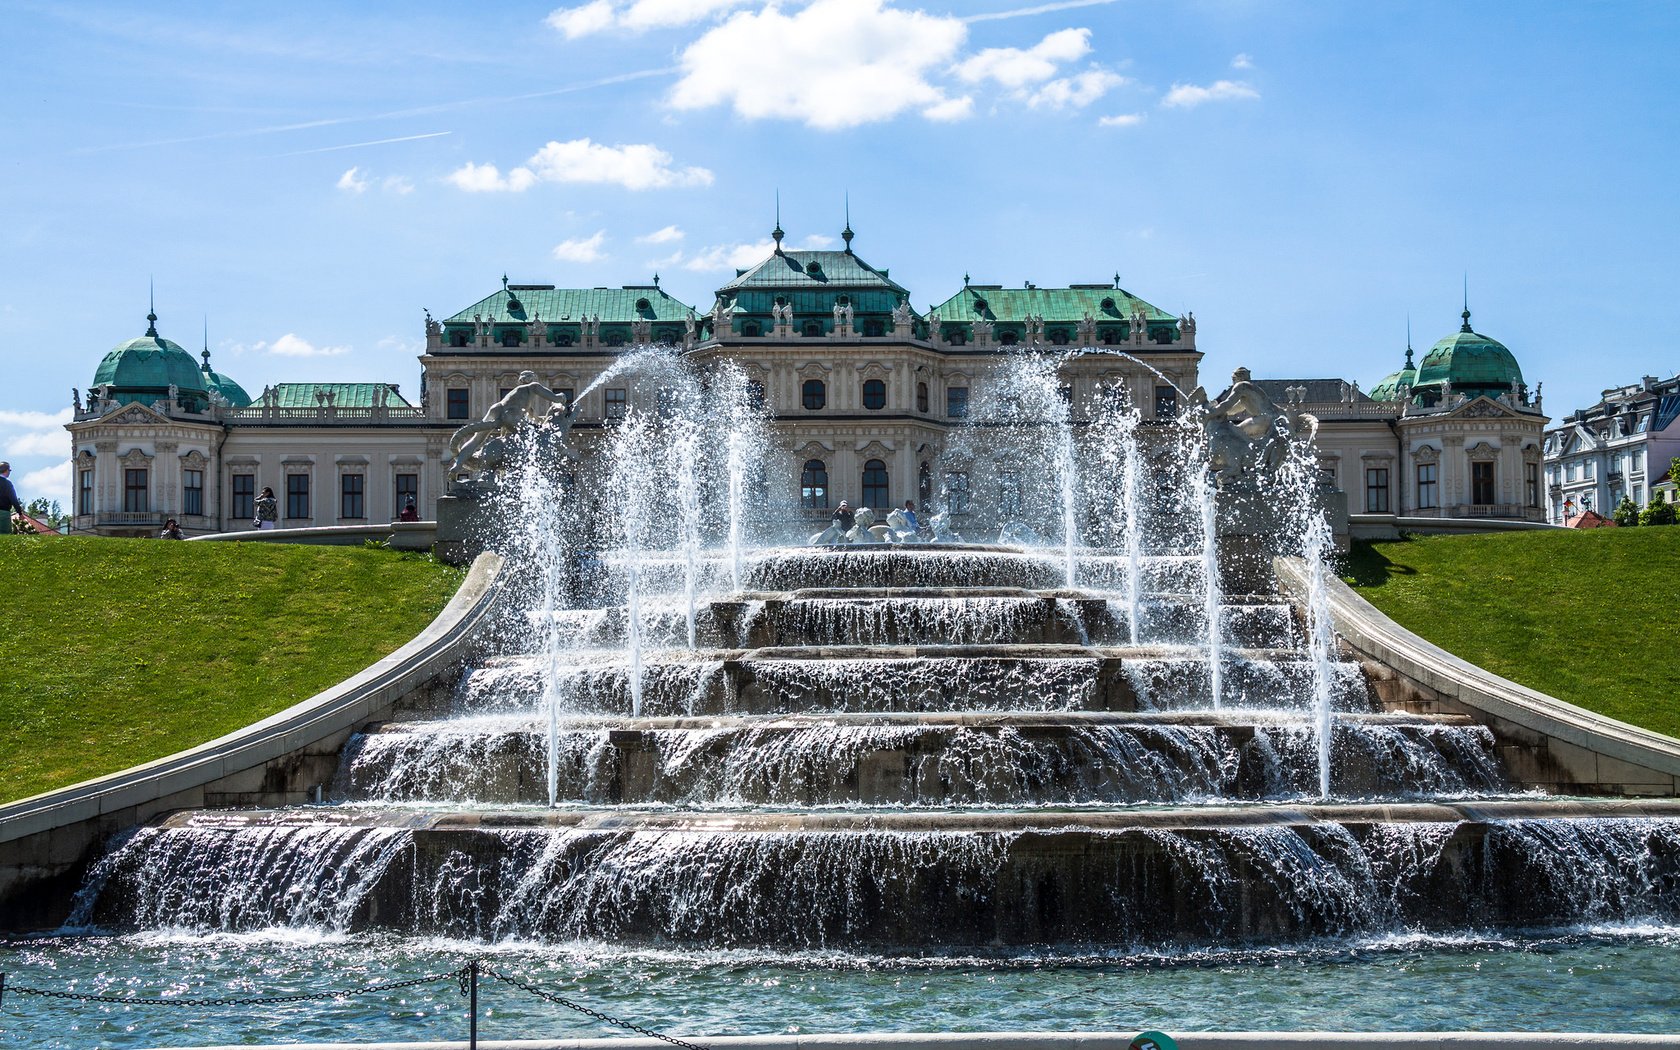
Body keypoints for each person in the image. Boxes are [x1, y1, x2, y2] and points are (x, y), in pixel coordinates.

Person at [0, 462, 25, 536]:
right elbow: (13, 499)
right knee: (4, 535)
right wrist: (20, 513)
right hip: (3, 512)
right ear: (7, 470)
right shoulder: (7, 484)